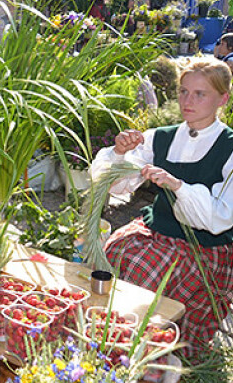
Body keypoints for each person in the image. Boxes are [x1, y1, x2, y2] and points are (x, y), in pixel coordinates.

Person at [91, 58, 233, 358]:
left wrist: (178, 186)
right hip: (156, 232)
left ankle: (140, 346)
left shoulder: (229, 147)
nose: (187, 101)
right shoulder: (161, 137)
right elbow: (114, 185)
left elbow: (220, 217)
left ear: (223, 98)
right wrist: (119, 152)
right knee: (115, 253)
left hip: (203, 248)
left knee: (150, 272)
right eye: (183, 91)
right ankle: (111, 340)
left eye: (199, 94)